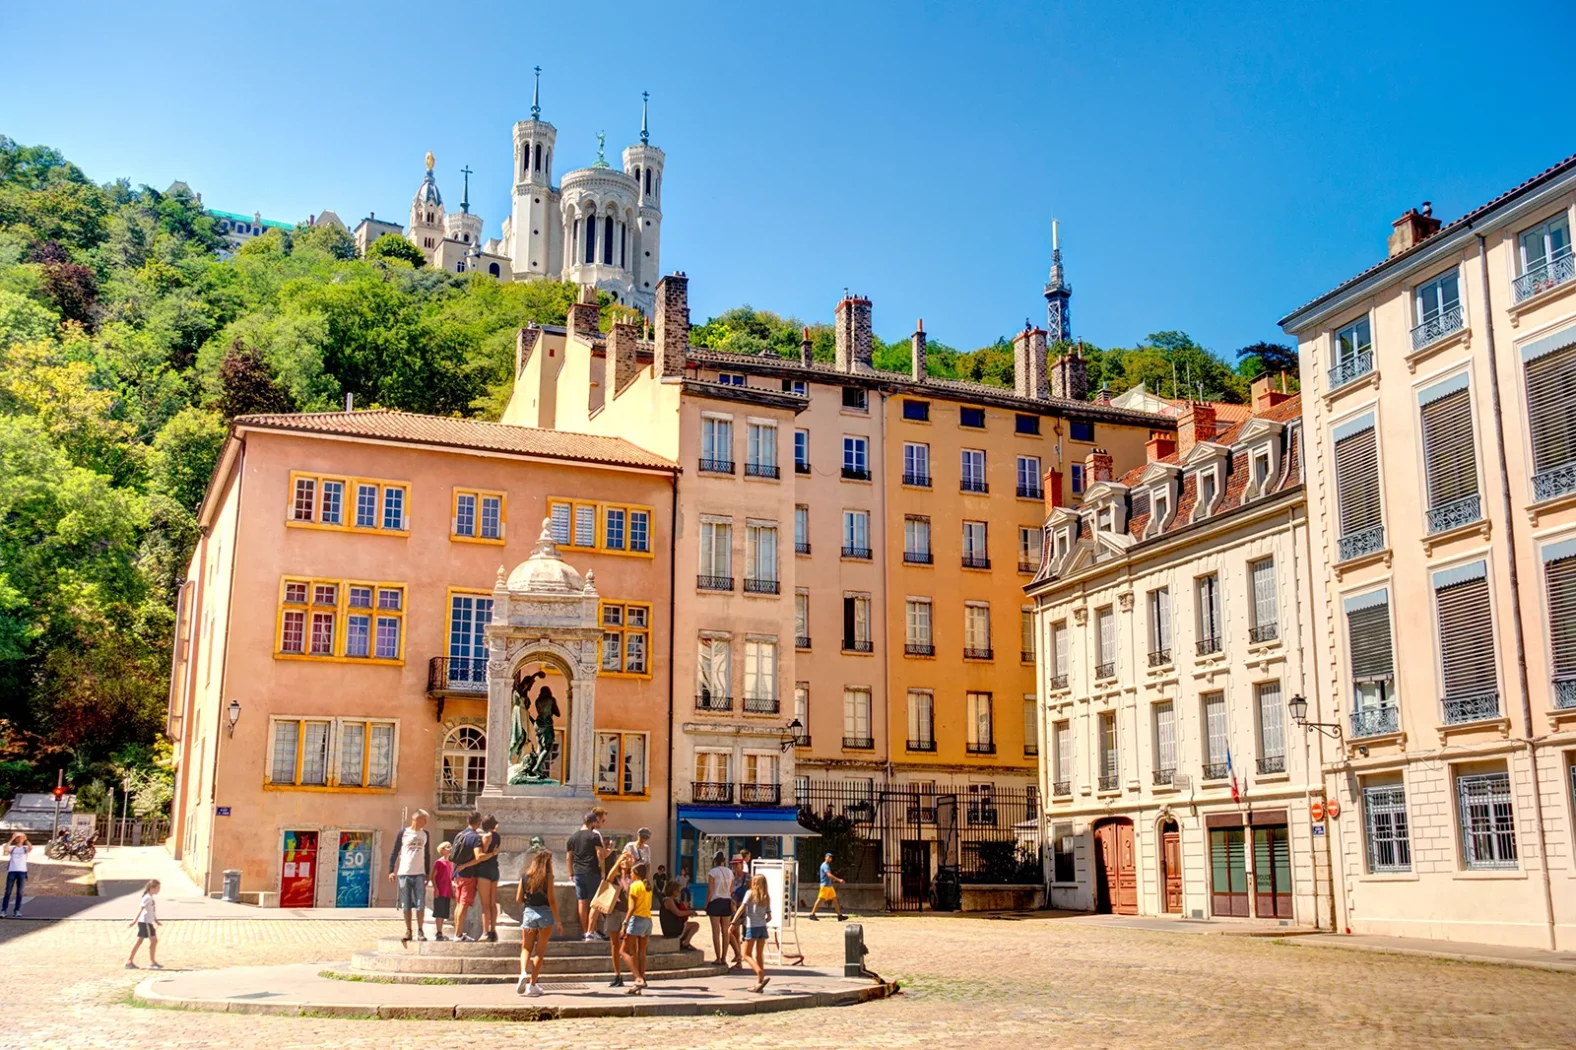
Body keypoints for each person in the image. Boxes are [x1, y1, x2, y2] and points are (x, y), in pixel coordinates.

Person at [514, 848, 562, 997]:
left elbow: (518, 899)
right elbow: (552, 900)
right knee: (539, 952)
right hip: (545, 915)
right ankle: (532, 985)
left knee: (526, 948)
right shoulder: (549, 877)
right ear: (548, 863)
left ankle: (523, 973)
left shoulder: (525, 876)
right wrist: (558, 921)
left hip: (529, 912)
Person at [386, 809, 430, 944]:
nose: (426, 822)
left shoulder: (425, 834)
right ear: (416, 819)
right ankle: (408, 930)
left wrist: (427, 872)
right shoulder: (403, 833)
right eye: (424, 820)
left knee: (420, 903)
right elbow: (394, 852)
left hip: (419, 873)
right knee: (406, 904)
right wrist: (391, 870)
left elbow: (427, 854)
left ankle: (420, 930)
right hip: (404, 873)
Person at [566, 811, 609, 941]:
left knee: (582, 902)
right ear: (593, 823)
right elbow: (600, 854)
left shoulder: (572, 837)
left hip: (578, 872)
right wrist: (603, 870)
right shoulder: (594, 836)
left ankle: (586, 931)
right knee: (595, 903)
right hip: (592, 871)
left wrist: (570, 873)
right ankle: (591, 931)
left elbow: (569, 857)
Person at [731, 873, 772, 993]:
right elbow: (769, 917)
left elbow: (741, 908)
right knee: (759, 954)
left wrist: (733, 923)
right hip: (762, 928)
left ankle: (759, 972)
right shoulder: (766, 896)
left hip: (752, 927)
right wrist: (761, 920)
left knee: (746, 954)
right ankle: (759, 982)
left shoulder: (750, 894)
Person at [450, 811, 484, 941]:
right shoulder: (475, 837)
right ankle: (458, 935)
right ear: (478, 822)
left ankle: (457, 933)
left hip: (457, 874)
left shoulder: (460, 834)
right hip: (468, 875)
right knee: (463, 905)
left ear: (467, 821)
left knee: (459, 904)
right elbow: (478, 857)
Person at [603, 851, 634, 988]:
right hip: (615, 912)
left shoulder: (633, 877)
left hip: (628, 913)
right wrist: (618, 861)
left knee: (630, 944)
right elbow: (608, 878)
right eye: (623, 859)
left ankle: (636, 974)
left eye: (627, 859)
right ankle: (617, 975)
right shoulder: (615, 877)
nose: (625, 862)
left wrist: (631, 865)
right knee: (614, 944)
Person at [621, 861, 653, 994]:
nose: (630, 875)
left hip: (637, 920)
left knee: (623, 951)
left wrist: (625, 923)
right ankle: (639, 983)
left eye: (631, 873)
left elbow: (632, 907)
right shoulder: (647, 886)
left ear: (636, 874)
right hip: (647, 920)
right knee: (641, 953)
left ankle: (638, 978)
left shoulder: (635, 886)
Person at [473, 814, 502, 942]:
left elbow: (482, 855)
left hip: (484, 870)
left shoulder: (487, 836)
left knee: (485, 904)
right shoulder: (497, 836)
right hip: (494, 870)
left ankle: (485, 932)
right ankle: (493, 930)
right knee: (492, 902)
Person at [704, 850, 733, 966]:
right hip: (726, 901)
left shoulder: (713, 872)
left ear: (715, 860)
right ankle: (724, 957)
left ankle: (718, 957)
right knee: (725, 932)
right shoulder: (730, 872)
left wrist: (706, 903)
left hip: (715, 901)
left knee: (715, 932)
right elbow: (731, 889)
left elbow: (710, 889)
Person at [125, 879, 162, 969]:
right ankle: (152, 962)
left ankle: (129, 961)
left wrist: (156, 920)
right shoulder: (147, 898)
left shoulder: (150, 897)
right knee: (153, 940)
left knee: (140, 941)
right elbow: (141, 910)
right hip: (145, 923)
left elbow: (152, 911)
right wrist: (134, 921)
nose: (159, 890)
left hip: (148, 922)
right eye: (158, 888)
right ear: (152, 888)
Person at [727, 848, 753, 967]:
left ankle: (739, 957)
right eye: (733, 865)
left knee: (733, 932)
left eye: (736, 864)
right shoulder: (731, 876)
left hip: (743, 908)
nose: (734, 867)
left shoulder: (747, 877)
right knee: (735, 933)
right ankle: (738, 959)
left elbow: (751, 891)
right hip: (733, 907)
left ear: (741, 864)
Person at [658, 879, 699, 951]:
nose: (679, 892)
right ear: (673, 891)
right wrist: (690, 912)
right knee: (695, 925)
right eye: (678, 891)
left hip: (674, 926)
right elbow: (678, 913)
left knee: (691, 925)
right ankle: (686, 943)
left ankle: (683, 941)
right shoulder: (668, 900)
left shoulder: (673, 900)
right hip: (671, 929)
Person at [807, 851, 847, 921]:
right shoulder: (825, 865)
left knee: (835, 900)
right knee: (820, 900)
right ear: (825, 858)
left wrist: (832, 880)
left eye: (831, 857)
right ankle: (812, 914)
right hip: (825, 886)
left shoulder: (827, 865)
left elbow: (828, 876)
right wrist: (839, 880)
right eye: (828, 857)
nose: (830, 859)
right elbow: (829, 875)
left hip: (829, 886)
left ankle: (839, 916)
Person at [429, 841, 455, 941]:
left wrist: (452, 890)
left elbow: (450, 878)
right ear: (442, 850)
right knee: (439, 912)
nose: (450, 849)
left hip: (447, 891)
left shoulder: (450, 863)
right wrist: (436, 889)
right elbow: (433, 877)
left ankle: (441, 931)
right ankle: (438, 932)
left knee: (444, 913)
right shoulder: (439, 862)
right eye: (448, 847)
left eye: (450, 847)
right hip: (440, 890)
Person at [3, 833, 29, 918]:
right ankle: (3, 910)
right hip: (12, 871)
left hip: (22, 871)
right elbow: (5, 849)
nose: (19, 839)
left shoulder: (24, 848)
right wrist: (11, 839)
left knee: (20, 892)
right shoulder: (12, 848)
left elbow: (31, 847)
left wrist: (26, 839)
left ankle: (17, 910)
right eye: (18, 838)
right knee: (8, 892)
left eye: (20, 838)